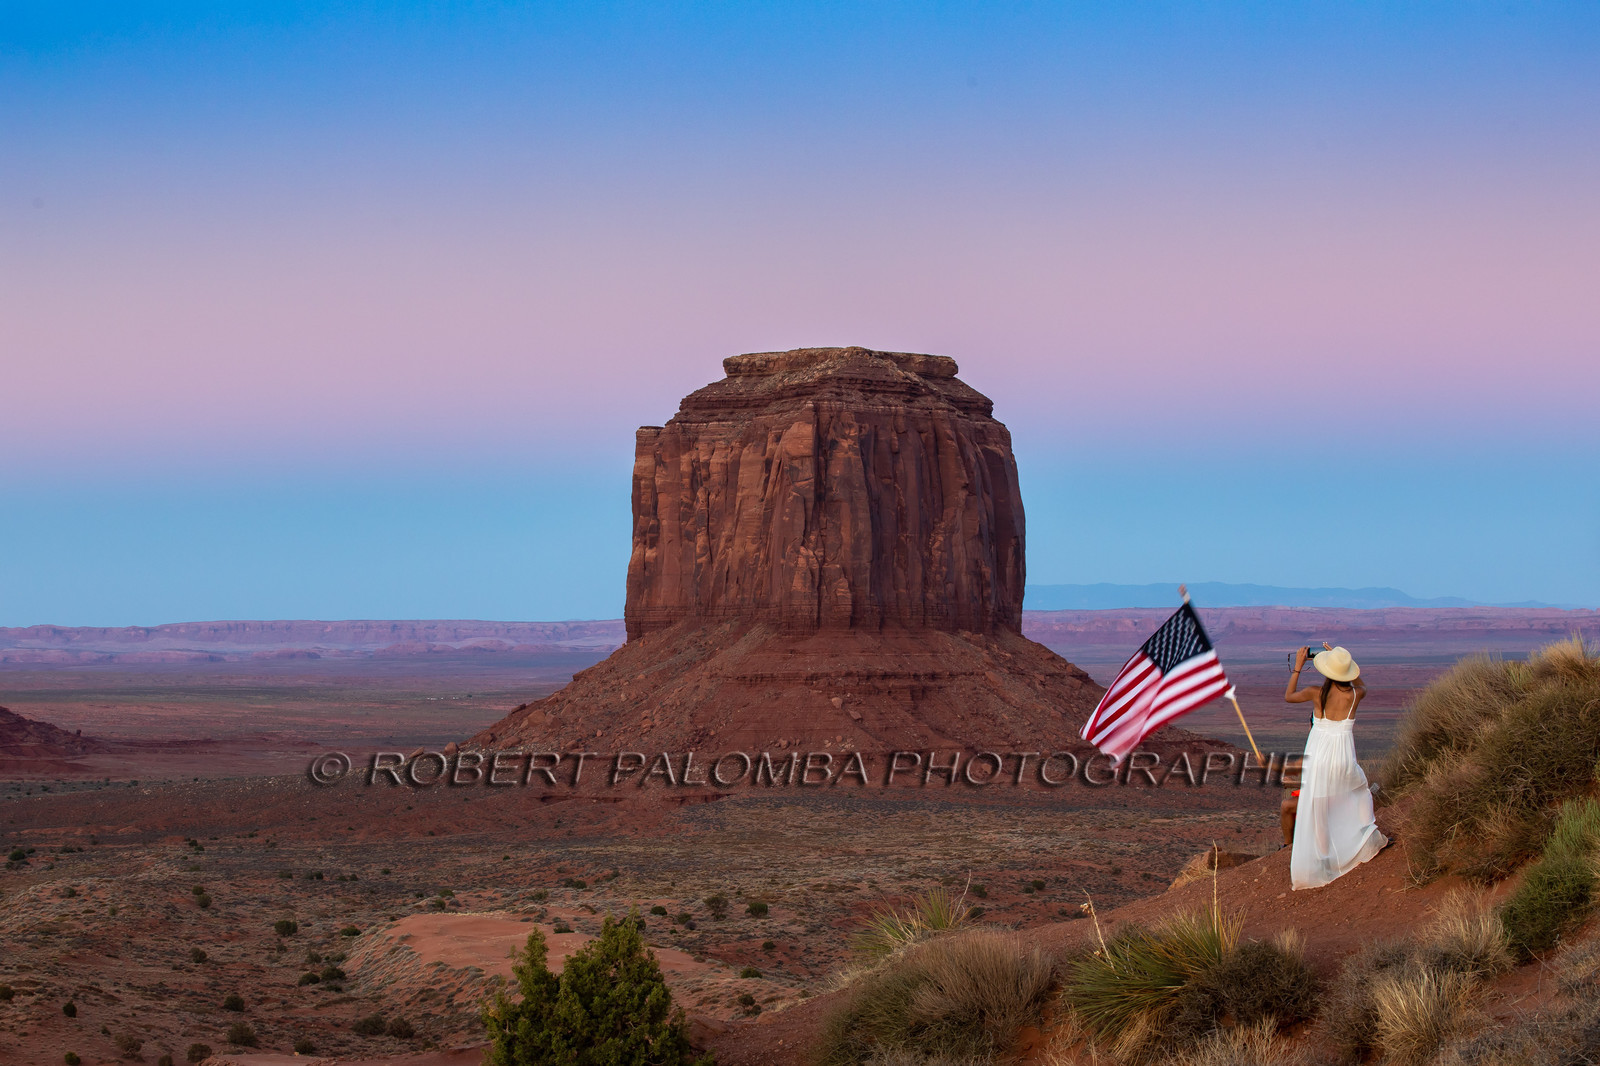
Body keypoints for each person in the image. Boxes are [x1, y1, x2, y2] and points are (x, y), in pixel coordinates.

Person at [1284, 641, 1388, 889]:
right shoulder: (1355, 695)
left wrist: (1298, 667)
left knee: (1319, 803)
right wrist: (1342, 661)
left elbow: (1288, 696)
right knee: (1358, 790)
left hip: (1319, 754)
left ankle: (1324, 859)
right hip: (1343, 755)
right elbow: (1361, 684)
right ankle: (1363, 839)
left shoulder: (1315, 693)